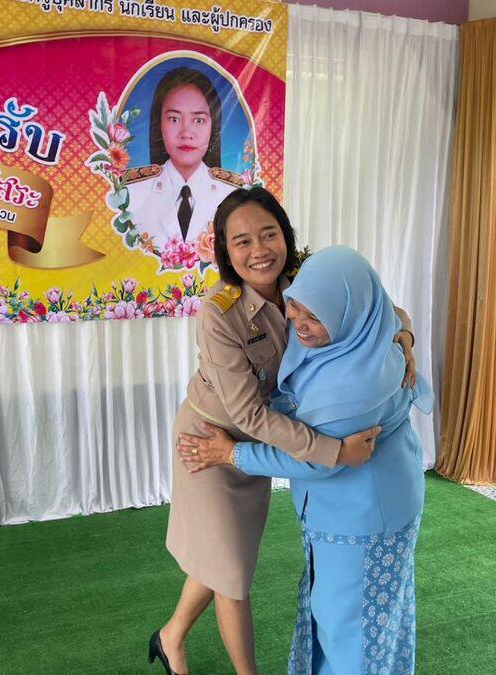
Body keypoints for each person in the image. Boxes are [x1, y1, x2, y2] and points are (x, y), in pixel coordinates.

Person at [148, 188, 417, 675]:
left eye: (268, 234)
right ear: (226, 251)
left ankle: (170, 636)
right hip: (212, 442)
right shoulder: (219, 312)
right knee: (232, 572)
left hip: (269, 441)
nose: (259, 251)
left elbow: (377, 306)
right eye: (242, 241)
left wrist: (406, 337)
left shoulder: (306, 277)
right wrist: (332, 451)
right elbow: (250, 415)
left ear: (286, 236)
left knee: (221, 554)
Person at [126, 66, 241, 254]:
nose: (186, 133)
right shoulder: (130, 192)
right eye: (174, 119)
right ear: (158, 124)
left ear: (214, 126)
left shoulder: (234, 194)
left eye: (198, 120)